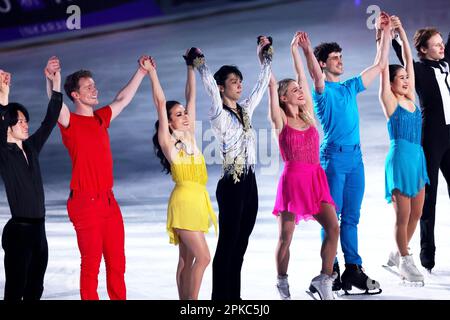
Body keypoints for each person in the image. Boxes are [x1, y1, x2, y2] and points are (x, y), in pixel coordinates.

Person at [45, 55, 148, 300]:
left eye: (94, 85)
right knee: (91, 266)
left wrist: (141, 73)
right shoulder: (70, 121)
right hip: (84, 203)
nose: (94, 89)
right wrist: (52, 81)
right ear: (75, 95)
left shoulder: (101, 118)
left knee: (117, 265)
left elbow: (122, 99)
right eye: (88, 87)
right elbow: (55, 104)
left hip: (109, 203)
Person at [302, 12, 391, 294]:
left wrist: (384, 32)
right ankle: (332, 269)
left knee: (352, 217)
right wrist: (307, 51)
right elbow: (314, 75)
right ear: (323, 64)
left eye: (341, 56)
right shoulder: (321, 91)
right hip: (333, 160)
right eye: (335, 58)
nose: (340, 60)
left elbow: (379, 65)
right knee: (332, 218)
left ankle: (353, 268)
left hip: (356, 160)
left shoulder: (350, 86)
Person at [190, 36, 272, 300]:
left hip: (249, 184)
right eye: (233, 82)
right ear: (222, 87)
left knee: (241, 245)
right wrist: (201, 65)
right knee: (227, 244)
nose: (239, 85)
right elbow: (211, 92)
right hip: (232, 185)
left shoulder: (245, 109)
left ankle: (233, 299)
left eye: (239, 81)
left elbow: (260, 87)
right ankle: (219, 299)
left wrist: (265, 57)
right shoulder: (219, 114)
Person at [269, 32, 340, 300]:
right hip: (293, 182)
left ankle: (324, 278)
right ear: (284, 98)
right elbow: (270, 85)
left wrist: (296, 51)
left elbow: (302, 77)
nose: (300, 92)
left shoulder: (308, 115)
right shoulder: (281, 122)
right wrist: (266, 61)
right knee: (286, 238)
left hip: (315, 178)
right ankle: (282, 281)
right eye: (294, 91)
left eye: (300, 90)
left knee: (333, 227)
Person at [143, 54, 217, 300]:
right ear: (169, 123)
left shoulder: (190, 136)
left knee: (186, 260)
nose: (185, 116)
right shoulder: (169, 143)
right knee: (204, 257)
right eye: (178, 115)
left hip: (197, 202)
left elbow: (191, 96)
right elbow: (160, 101)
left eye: (184, 113)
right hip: (183, 203)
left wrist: (190, 67)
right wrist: (153, 73)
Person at [0, 61, 63, 300]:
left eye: (26, 121)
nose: (26, 125)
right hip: (19, 232)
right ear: (8, 127)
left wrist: (56, 81)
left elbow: (49, 121)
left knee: (35, 289)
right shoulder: (4, 153)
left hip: (39, 231)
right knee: (16, 291)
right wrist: (4, 95)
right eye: (20, 122)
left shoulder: (31, 147)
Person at [392, 25, 450, 272]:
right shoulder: (418, 71)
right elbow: (402, 54)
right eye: (436, 44)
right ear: (424, 50)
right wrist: (394, 33)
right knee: (430, 199)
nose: (441, 46)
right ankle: (428, 255)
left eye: (441, 42)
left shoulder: (446, 61)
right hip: (432, 138)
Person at [379, 16, 428, 285]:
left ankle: (396, 255)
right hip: (399, 161)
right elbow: (385, 70)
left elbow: (408, 59)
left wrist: (402, 31)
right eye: (401, 78)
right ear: (392, 82)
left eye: (408, 78)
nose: (407, 80)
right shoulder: (390, 101)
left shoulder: (411, 99)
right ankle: (406, 261)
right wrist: (385, 36)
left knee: (417, 214)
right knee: (404, 216)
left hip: (417, 159)